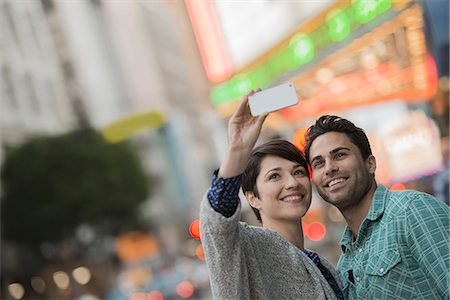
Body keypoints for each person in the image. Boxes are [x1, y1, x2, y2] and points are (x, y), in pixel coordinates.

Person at [200, 91, 344, 299]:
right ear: (252, 197)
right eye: (275, 176)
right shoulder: (245, 247)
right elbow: (216, 224)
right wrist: (238, 149)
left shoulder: (322, 267)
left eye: (298, 172)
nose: (292, 182)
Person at [304, 115, 450, 299]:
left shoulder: (411, 211)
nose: (329, 168)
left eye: (339, 155)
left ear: (370, 164)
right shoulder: (344, 265)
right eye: (319, 163)